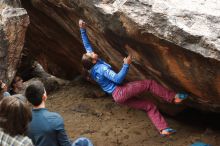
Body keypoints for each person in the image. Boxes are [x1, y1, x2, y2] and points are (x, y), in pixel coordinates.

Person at [79, 19, 188, 136]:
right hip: (120, 91)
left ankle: (163, 129)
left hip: (117, 97)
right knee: (149, 84)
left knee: (149, 106)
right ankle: (173, 98)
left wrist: (82, 29)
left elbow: (87, 46)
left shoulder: (91, 67)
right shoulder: (101, 69)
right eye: (91, 54)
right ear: (94, 60)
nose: (92, 52)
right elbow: (117, 79)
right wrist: (126, 65)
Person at [25, 81, 93, 146]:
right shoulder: (54, 118)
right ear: (44, 97)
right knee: (84, 141)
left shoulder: (24, 119)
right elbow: (65, 144)